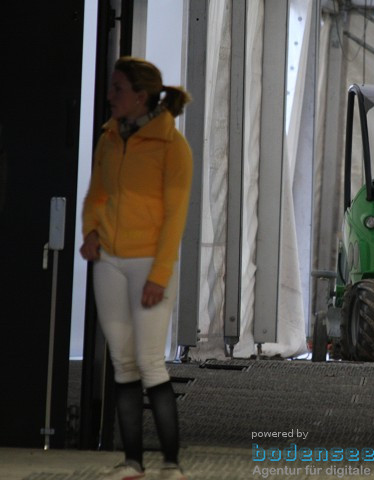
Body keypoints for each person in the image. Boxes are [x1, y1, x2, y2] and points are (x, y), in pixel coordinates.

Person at [80, 56, 193, 480]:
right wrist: (91, 232)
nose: (110, 96)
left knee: (149, 363)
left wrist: (159, 276)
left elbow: (175, 216)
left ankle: (171, 464)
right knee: (122, 363)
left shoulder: (172, 147)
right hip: (108, 260)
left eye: (117, 89)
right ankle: (132, 463)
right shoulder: (109, 137)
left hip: (149, 261)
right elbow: (96, 194)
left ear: (140, 96)